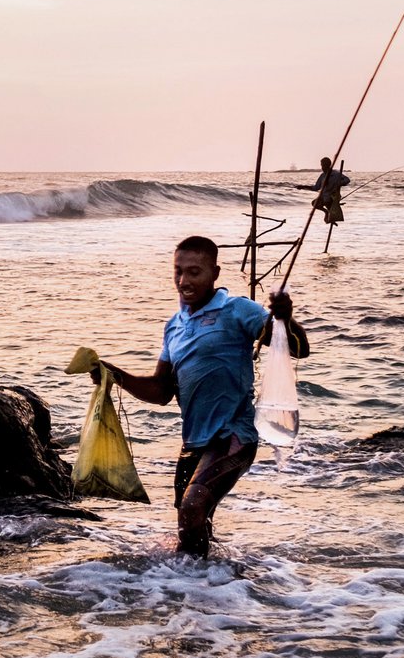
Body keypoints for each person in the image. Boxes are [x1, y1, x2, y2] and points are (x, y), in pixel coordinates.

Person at [92, 235, 309, 556]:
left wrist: (283, 318)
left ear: (215, 273)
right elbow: (161, 391)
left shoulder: (237, 311)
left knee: (191, 509)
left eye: (194, 272)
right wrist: (115, 375)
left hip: (234, 437)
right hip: (193, 444)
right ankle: (214, 591)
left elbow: (299, 348)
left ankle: (194, 589)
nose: (183, 280)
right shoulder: (174, 326)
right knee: (194, 525)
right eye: (178, 271)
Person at [312, 157, 350, 225]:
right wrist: (304, 187)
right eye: (322, 165)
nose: (322, 168)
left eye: (323, 165)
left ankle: (331, 217)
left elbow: (347, 180)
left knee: (328, 205)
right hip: (324, 197)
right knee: (314, 203)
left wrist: (339, 183)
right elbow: (316, 187)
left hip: (333, 197)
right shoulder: (323, 175)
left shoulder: (336, 174)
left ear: (328, 165)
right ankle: (327, 213)